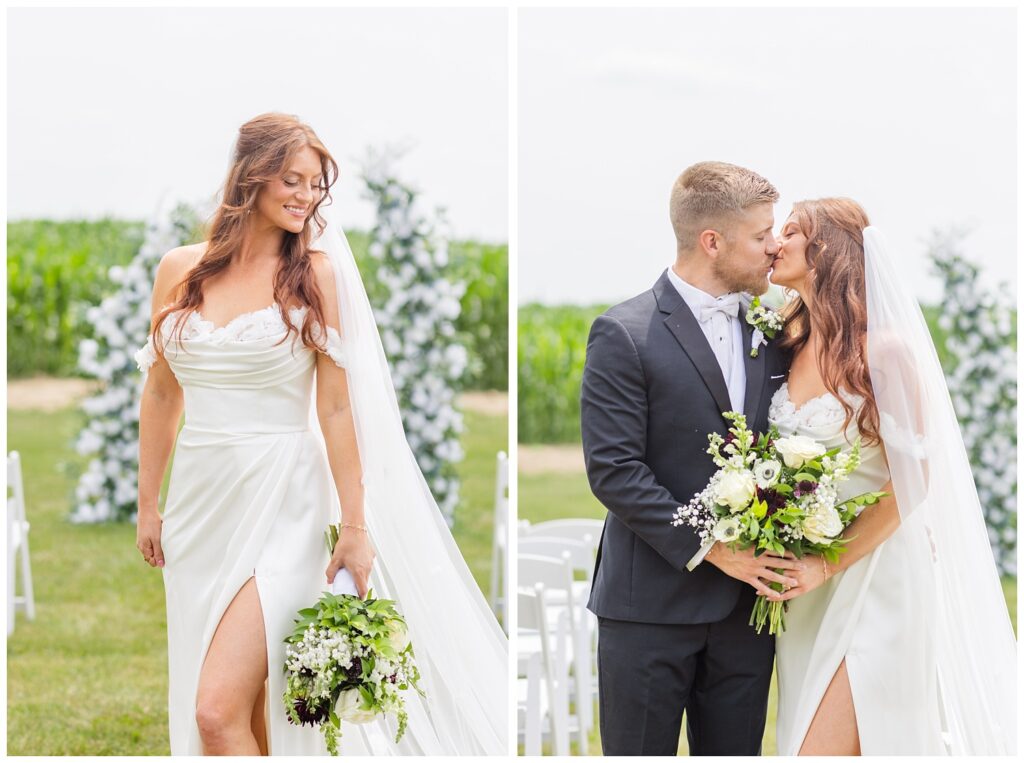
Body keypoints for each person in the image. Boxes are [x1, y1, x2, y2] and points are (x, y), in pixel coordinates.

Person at [134, 112, 506, 755]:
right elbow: (163, 392)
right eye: (292, 180)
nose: (306, 196)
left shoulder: (315, 276)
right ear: (251, 178)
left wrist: (356, 527)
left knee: (214, 711)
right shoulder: (179, 269)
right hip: (199, 505)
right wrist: (148, 503)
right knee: (249, 715)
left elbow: (337, 410)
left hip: (284, 502)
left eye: (315, 184)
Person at [767, 198, 1016, 755]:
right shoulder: (788, 344)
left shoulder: (884, 349)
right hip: (807, 595)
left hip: (877, 575)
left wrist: (821, 564)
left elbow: (912, 480)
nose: (774, 243)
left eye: (790, 232)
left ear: (824, 249)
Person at [580, 161, 801, 755]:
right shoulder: (623, 333)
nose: (774, 247)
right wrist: (720, 550)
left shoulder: (775, 330)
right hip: (648, 609)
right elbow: (615, 472)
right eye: (761, 235)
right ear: (713, 241)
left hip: (745, 617)